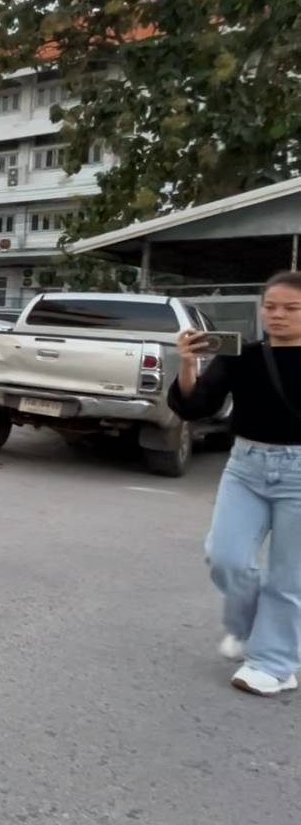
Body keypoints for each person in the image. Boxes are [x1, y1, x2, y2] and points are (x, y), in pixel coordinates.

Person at [170, 271, 301, 697]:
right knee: (225, 557)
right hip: (245, 467)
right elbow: (195, 407)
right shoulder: (243, 354)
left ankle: (275, 664)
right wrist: (187, 363)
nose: (277, 315)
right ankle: (254, 629)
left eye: (291, 308)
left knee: (288, 576)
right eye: (270, 306)